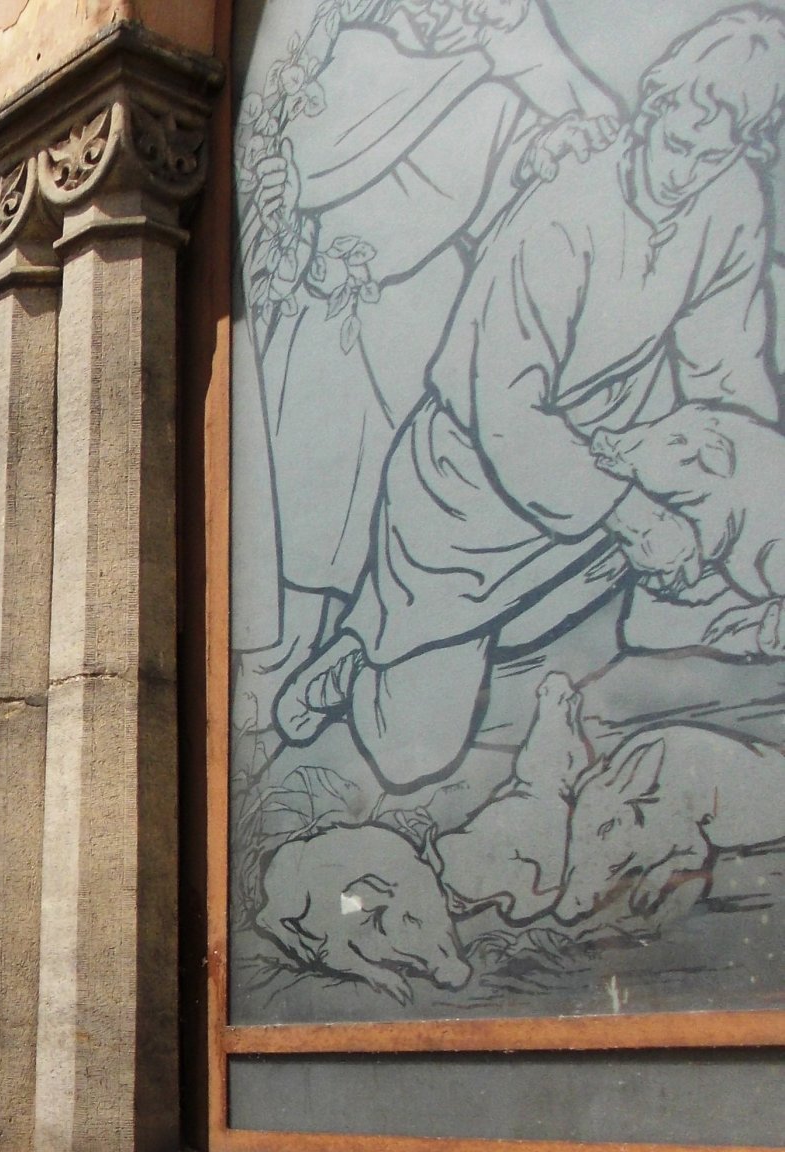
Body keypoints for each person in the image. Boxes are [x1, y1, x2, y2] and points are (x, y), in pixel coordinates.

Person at [273, 6, 785, 791]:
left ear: (737, 151)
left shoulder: (730, 198)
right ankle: (362, 651)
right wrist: (633, 513)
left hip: (619, 447)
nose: (681, 173)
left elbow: (725, 369)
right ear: (651, 107)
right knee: (414, 748)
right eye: (675, 145)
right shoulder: (564, 206)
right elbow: (503, 406)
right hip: (471, 486)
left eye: (707, 158)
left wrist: (741, 493)